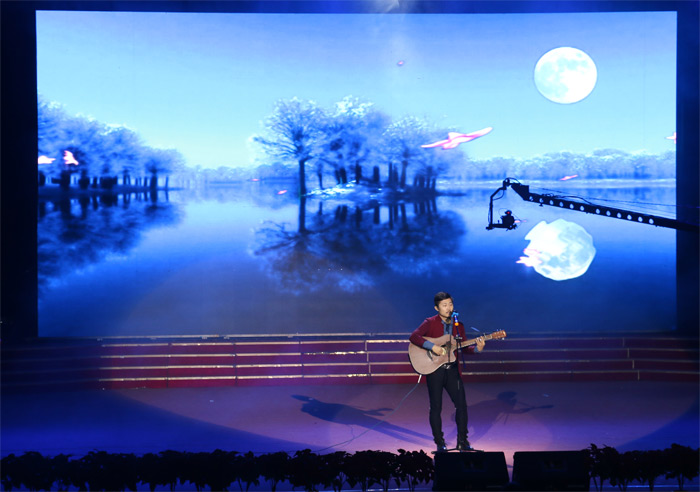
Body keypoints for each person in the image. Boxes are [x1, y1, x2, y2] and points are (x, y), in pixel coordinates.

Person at [409, 291, 485, 452]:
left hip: (452, 371)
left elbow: (464, 348)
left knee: (462, 405)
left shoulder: (459, 325)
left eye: (450, 304)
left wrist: (477, 349)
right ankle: (440, 442)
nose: (448, 308)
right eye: (444, 305)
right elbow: (414, 337)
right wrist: (433, 347)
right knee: (436, 407)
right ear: (436, 308)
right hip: (434, 370)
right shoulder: (430, 322)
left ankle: (462, 441)